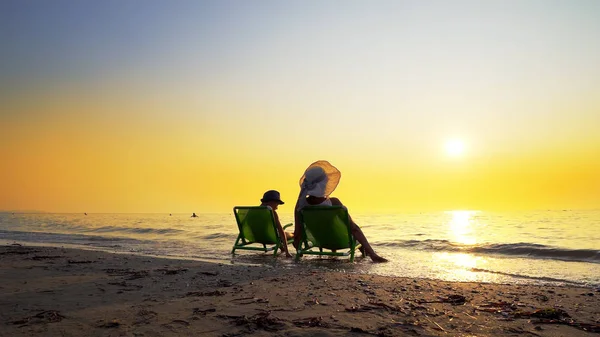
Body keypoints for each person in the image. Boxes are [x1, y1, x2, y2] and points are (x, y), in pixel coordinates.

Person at [293, 160, 388, 263]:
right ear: (324, 183)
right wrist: (373, 255)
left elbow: (297, 234)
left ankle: (366, 253)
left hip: (320, 242)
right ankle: (370, 254)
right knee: (355, 230)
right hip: (340, 242)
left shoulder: (300, 207)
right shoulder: (334, 202)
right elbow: (354, 229)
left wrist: (299, 253)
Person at [260, 190, 294, 258]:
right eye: (277, 204)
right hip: (270, 238)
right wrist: (287, 253)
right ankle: (298, 253)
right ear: (272, 202)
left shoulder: (251, 211)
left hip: (256, 237)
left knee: (278, 233)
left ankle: (282, 248)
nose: (277, 207)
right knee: (293, 234)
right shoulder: (272, 213)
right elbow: (281, 232)